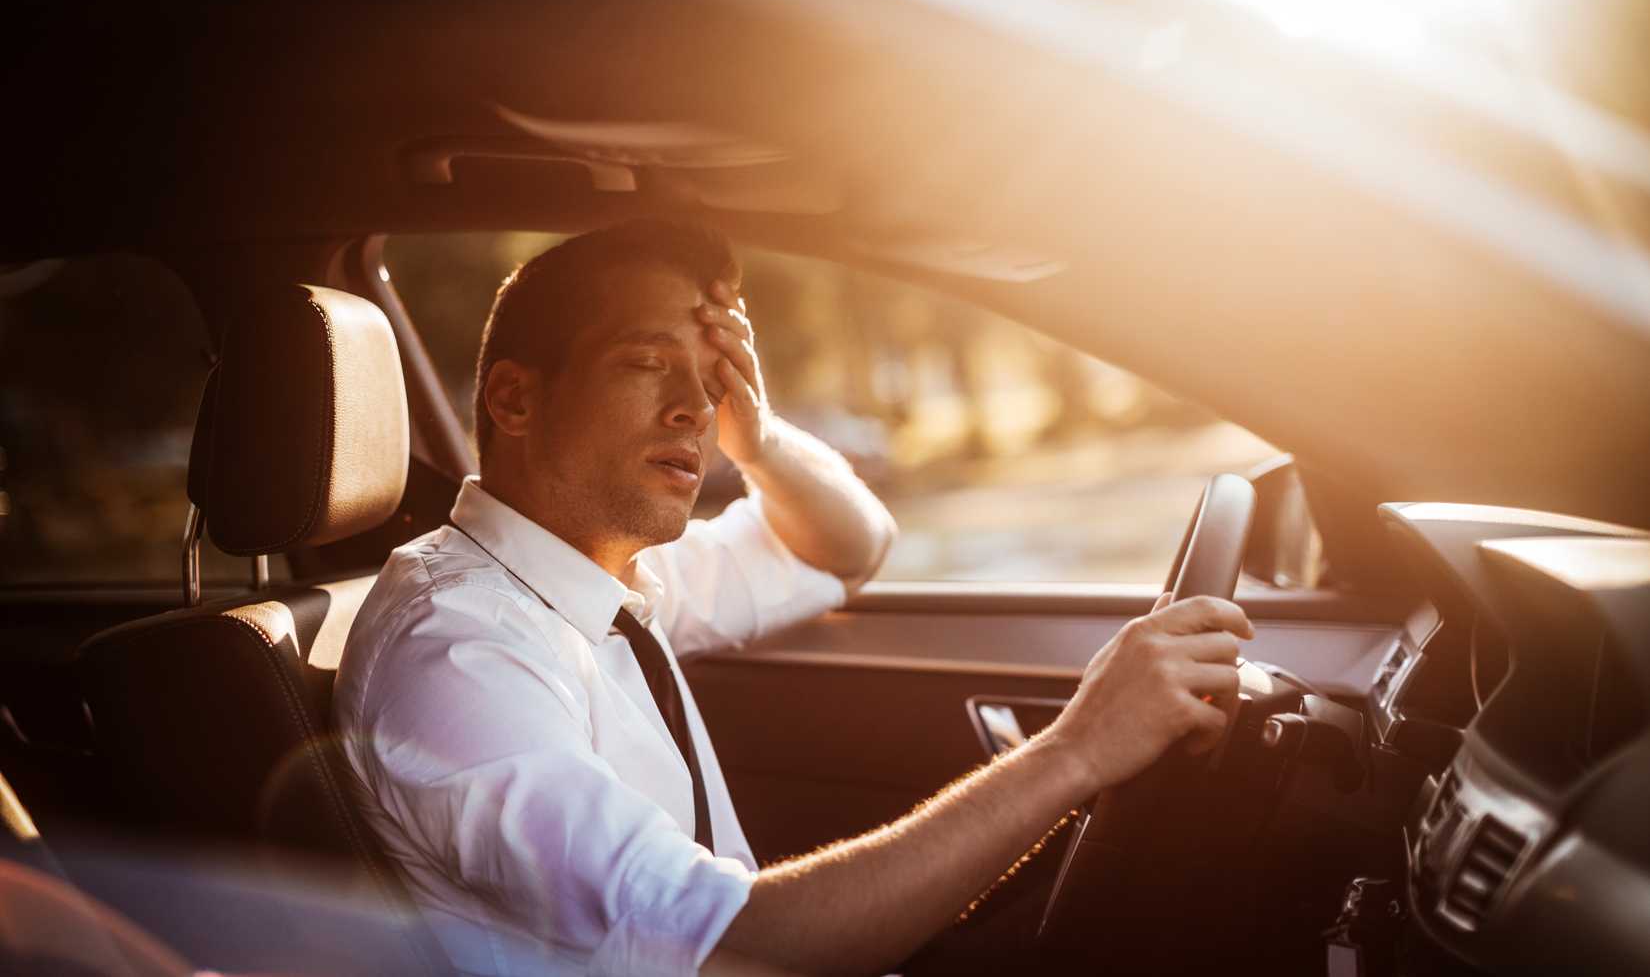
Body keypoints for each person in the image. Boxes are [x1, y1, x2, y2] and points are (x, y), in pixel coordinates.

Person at [334, 219, 1251, 977]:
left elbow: (851, 548)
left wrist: (763, 441)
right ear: (514, 400)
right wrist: (1077, 750)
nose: (697, 408)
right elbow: (731, 948)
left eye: (713, 380)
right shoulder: (458, 650)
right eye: (647, 363)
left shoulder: (599, 577)